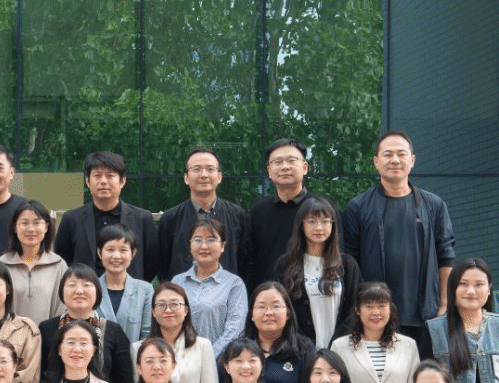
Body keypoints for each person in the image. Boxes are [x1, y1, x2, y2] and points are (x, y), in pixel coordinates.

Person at [340, 130, 456, 358]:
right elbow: (349, 262)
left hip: (425, 316)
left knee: (424, 376)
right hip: (375, 318)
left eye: (401, 154)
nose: (395, 160)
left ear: (412, 160)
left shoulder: (434, 205)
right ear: (376, 162)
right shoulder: (358, 207)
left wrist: (444, 303)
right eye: (388, 154)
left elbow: (446, 255)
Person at [330, 283, 420, 383]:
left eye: (381, 306)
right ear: (357, 310)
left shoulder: (408, 345)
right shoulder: (340, 346)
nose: (376, 312)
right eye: (369, 306)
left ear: (390, 309)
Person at [273, 194, 363, 346]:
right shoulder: (286, 264)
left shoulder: (347, 264)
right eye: (312, 221)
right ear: (301, 225)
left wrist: (336, 345)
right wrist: (305, 346)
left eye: (325, 221)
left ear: (333, 225)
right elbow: (281, 308)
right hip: (299, 349)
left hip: (341, 348)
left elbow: (355, 308)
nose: (319, 227)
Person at [53, 151, 158, 280]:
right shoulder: (72, 219)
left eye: (110, 176)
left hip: (130, 291)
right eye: (97, 176)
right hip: (85, 290)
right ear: (87, 181)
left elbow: (152, 262)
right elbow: (62, 261)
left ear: (122, 181)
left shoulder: (142, 218)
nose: (103, 181)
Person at [152, 148, 248, 281]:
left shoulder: (237, 216)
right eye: (196, 169)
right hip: (182, 292)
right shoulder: (170, 218)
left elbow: (245, 262)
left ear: (219, 177)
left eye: (210, 169)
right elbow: (162, 266)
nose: (204, 175)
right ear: (186, 177)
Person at [37, 265, 134, 383]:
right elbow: (40, 377)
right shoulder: (46, 328)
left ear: (97, 292)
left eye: (86, 285)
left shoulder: (113, 331)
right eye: (72, 285)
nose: (79, 291)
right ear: (61, 292)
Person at [226, 282, 315, 383]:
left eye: (276, 306)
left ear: (288, 313)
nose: (269, 312)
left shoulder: (304, 350)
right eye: (261, 307)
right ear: (252, 315)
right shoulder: (236, 351)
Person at [242, 138, 312, 288]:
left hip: (312, 294)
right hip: (268, 296)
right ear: (269, 171)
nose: (285, 167)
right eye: (278, 162)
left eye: (291, 161)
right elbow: (251, 262)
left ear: (305, 167)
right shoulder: (258, 212)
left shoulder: (322, 209)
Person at [171, 215, 248, 350]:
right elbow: (169, 324)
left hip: (220, 359)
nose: (204, 246)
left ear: (223, 246)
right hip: (180, 356)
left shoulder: (234, 284)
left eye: (211, 240)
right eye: (198, 240)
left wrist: (208, 356)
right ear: (190, 245)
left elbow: (235, 330)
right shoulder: (177, 282)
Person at [140, 281, 219, 383]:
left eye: (175, 304)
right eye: (161, 305)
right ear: (153, 312)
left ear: (186, 310)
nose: (168, 310)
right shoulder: (138, 349)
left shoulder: (203, 346)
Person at [0, 202, 67, 323]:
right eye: (24, 223)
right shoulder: (1, 265)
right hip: (9, 334)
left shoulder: (58, 265)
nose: (31, 229)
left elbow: (64, 306)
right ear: (15, 227)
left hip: (49, 334)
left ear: (46, 227)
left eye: (37, 223)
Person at [94, 224, 153, 345]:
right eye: (110, 250)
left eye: (123, 250)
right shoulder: (90, 288)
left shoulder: (145, 290)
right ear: (100, 252)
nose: (116, 256)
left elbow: (147, 334)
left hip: (133, 356)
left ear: (133, 253)